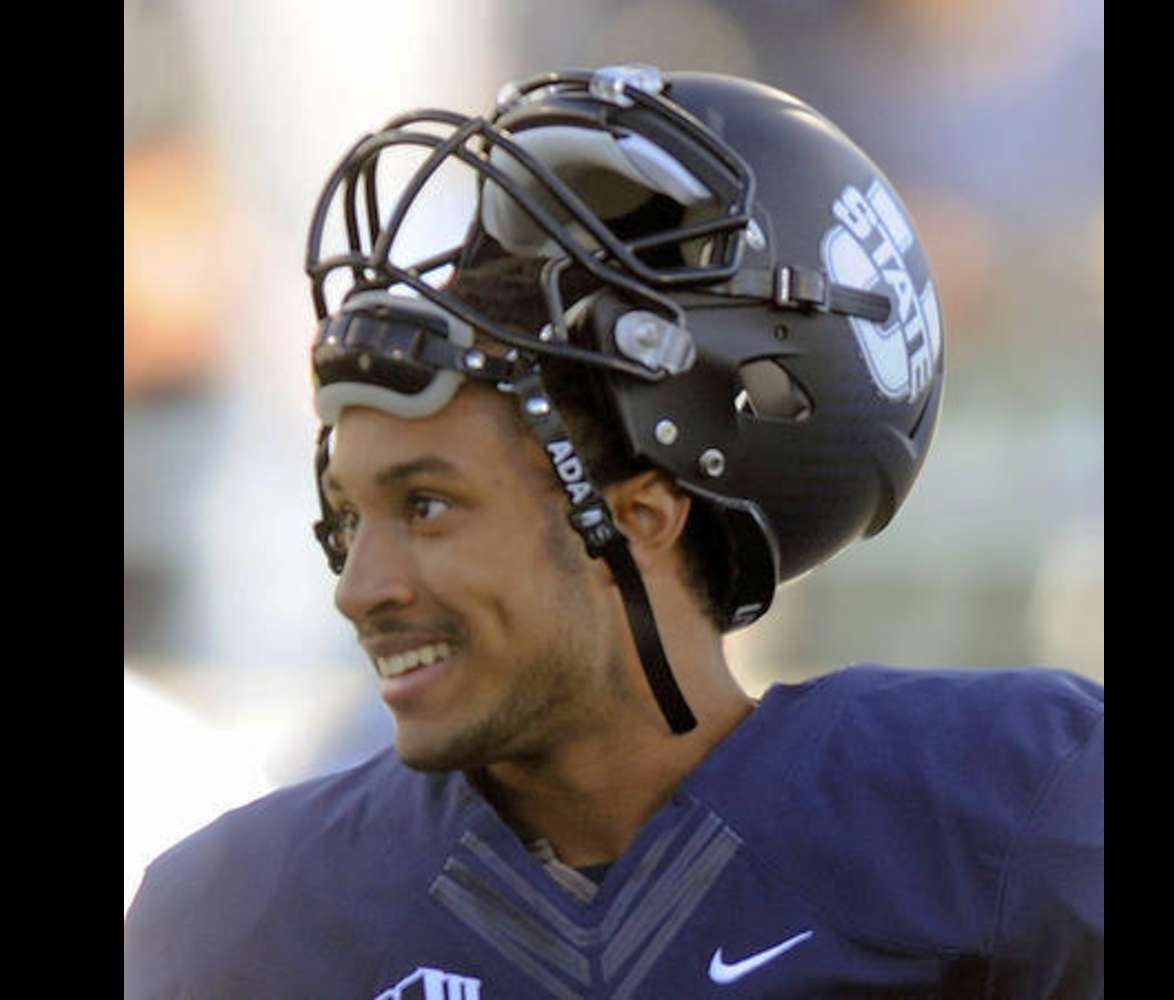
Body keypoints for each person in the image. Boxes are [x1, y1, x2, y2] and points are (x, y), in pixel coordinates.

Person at [124, 66, 1103, 999]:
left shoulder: (1005, 817)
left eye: (427, 506)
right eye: (349, 516)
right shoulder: (239, 917)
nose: (358, 584)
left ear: (640, 514)